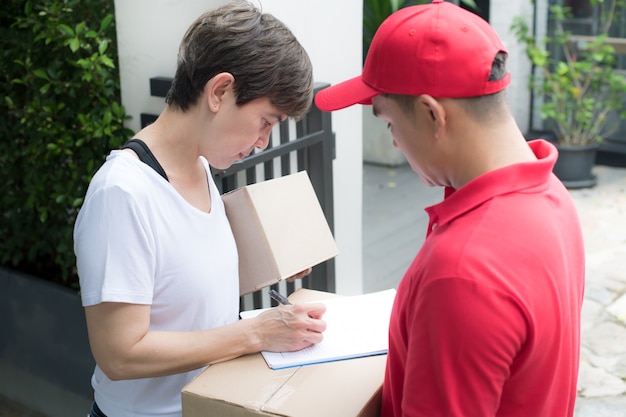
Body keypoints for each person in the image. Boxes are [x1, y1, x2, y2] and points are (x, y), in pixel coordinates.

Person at [315, 1, 585, 416]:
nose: (393, 143)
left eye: (388, 123)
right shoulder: (551, 194)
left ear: (431, 114)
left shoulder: (462, 270)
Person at [73, 2, 327, 417]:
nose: (264, 141)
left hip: (210, 402)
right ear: (220, 92)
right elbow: (119, 354)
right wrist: (256, 333)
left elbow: (175, 286)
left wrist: (268, 258)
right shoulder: (122, 193)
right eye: (266, 120)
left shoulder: (200, 164)